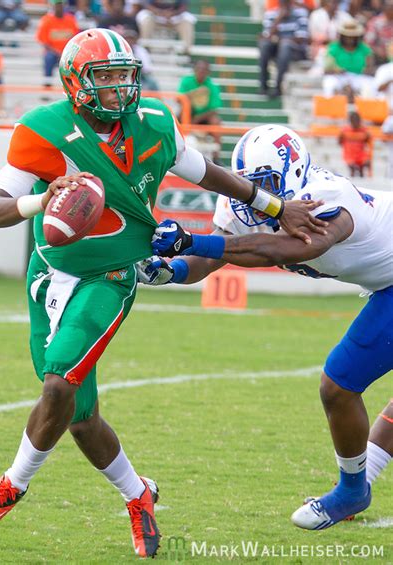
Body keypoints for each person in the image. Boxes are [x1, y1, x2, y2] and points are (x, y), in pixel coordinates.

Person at [0, 30, 323, 557]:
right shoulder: (43, 131)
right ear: (76, 83)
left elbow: (210, 174)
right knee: (80, 416)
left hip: (111, 278)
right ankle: (139, 494)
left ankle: (13, 482)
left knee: (60, 385)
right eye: (104, 76)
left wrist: (273, 206)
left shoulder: (153, 122)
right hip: (48, 275)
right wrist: (41, 202)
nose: (119, 87)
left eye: (125, 74)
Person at [139, 123, 393, 530]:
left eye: (264, 184)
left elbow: (287, 248)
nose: (255, 197)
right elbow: (207, 263)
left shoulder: (327, 198)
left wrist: (193, 240)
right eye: (248, 185)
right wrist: (169, 271)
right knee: (340, 387)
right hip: (387, 286)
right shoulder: (249, 206)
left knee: (338, 383)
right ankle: (354, 490)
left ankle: (351, 491)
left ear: (292, 174)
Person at [258, 0, 309, 98]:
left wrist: (281, 40)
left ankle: (278, 86)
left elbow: (301, 38)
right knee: (264, 45)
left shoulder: (301, 13)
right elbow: (266, 36)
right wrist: (279, 18)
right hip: (278, 49)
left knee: (285, 45)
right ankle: (263, 85)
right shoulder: (271, 14)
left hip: (295, 51)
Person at [178, 59, 222, 163]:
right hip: (188, 113)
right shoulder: (186, 81)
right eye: (199, 69)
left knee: (216, 121)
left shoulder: (212, 86)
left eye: (204, 70)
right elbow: (179, 99)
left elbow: (214, 109)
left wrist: (196, 119)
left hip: (204, 117)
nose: (201, 72)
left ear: (208, 72)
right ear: (194, 70)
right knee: (180, 113)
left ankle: (216, 156)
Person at [323, 20, 376, 97]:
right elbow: (327, 69)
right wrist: (337, 70)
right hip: (339, 77)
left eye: (353, 37)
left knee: (369, 86)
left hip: (359, 76)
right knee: (329, 84)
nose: (350, 39)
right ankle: (331, 106)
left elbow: (370, 67)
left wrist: (366, 70)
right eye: (347, 36)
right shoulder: (333, 47)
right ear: (342, 36)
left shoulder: (364, 48)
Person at [36, 0, 80, 86]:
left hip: (68, 53)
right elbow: (44, 42)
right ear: (53, 6)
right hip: (53, 52)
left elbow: (75, 39)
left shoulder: (71, 19)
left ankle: (73, 86)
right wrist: (58, 52)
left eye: (61, 5)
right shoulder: (46, 20)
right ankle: (47, 85)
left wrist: (66, 52)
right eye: (57, 5)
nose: (59, 7)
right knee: (49, 57)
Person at [338, 111, 371, 176]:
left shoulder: (363, 130)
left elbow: (368, 141)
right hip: (349, 154)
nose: (356, 123)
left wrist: (367, 136)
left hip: (360, 154)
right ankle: (352, 178)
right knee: (352, 167)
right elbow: (339, 142)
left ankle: (362, 174)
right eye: (354, 121)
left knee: (367, 162)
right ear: (351, 121)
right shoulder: (345, 130)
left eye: (357, 121)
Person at [364, 0, 393, 65]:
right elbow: (368, 43)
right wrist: (379, 51)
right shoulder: (375, 22)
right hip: (379, 57)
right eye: (390, 7)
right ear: (384, 8)